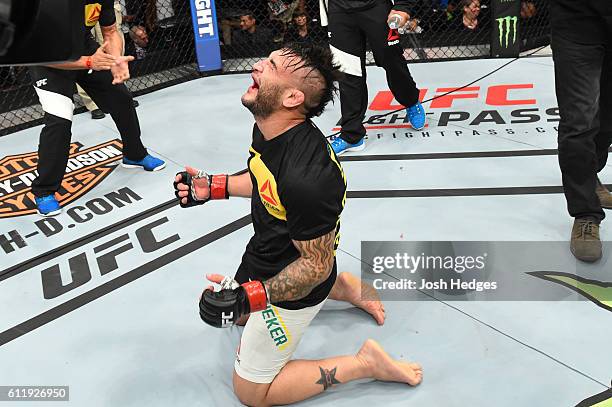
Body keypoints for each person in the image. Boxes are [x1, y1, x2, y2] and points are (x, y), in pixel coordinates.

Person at [173, 43, 422, 405]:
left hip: (302, 280)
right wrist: (216, 187)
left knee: (252, 394)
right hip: (269, 251)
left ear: (291, 96)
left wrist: (249, 297)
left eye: (270, 65)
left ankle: (364, 362)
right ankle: (347, 287)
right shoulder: (272, 126)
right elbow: (264, 179)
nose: (256, 66)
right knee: (238, 318)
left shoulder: (307, 178)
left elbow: (314, 266)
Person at [28, 0, 165, 217]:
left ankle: (134, 154)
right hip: (48, 62)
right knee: (59, 120)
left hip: (84, 48)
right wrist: (90, 62)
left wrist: (116, 59)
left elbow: (110, 31)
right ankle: (44, 190)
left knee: (122, 99)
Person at [550, 0, 612, 262]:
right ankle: (585, 213)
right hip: (577, 21)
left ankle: (590, 175)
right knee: (579, 121)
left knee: (607, 117)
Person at [323, 0, 427, 155]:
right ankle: (352, 135)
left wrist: (403, 6)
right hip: (339, 9)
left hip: (376, 6)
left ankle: (411, 100)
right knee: (346, 69)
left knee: (391, 60)